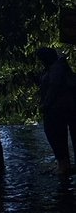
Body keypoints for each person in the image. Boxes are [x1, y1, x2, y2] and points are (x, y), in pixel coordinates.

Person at [37, 47, 76, 175]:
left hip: (57, 109)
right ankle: (64, 164)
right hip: (62, 108)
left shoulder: (56, 68)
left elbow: (54, 88)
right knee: (59, 136)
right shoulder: (58, 67)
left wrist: (45, 104)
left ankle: (63, 165)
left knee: (55, 135)